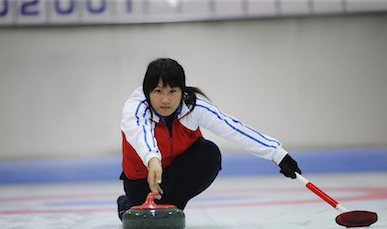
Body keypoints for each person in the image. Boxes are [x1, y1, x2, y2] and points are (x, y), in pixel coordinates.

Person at [117, 58, 301, 220]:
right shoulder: (135, 108)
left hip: (174, 175)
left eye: (172, 91)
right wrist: (152, 159)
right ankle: (127, 205)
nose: (165, 100)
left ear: (182, 91)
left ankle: (170, 206)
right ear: (147, 91)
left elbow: (233, 128)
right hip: (142, 179)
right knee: (138, 213)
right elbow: (141, 134)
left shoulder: (194, 107)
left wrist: (278, 155)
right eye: (158, 91)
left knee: (208, 154)